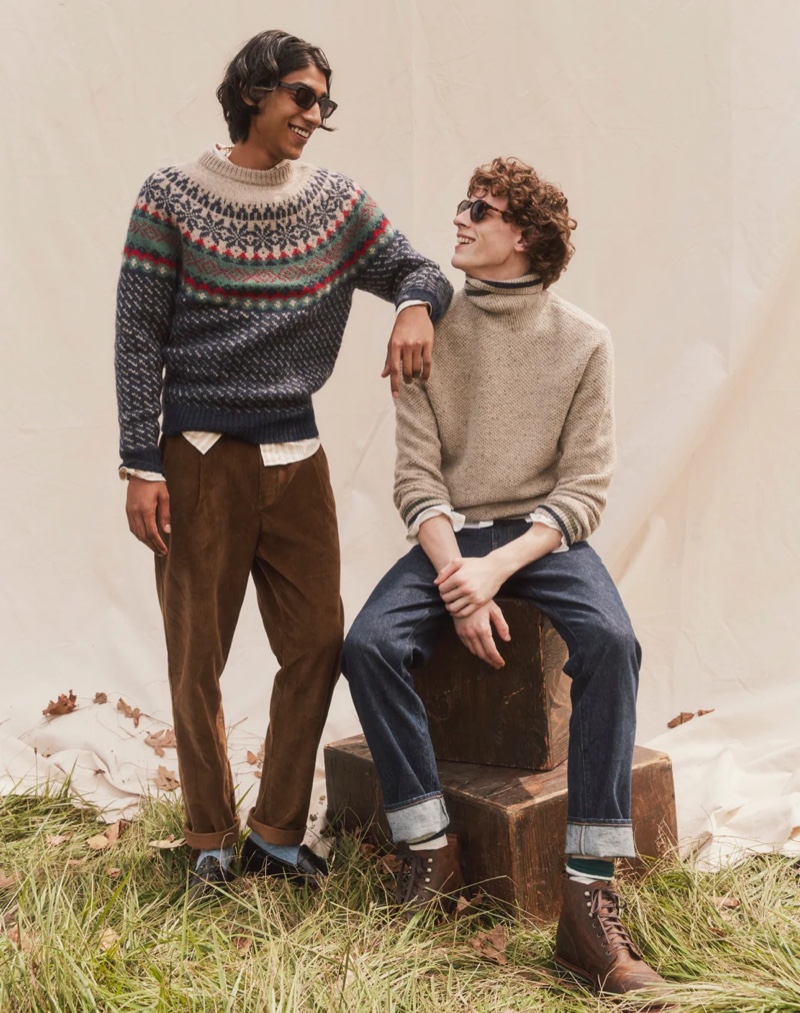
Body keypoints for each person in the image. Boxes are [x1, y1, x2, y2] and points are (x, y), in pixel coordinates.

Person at [114, 29, 452, 902]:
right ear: (255, 92)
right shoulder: (171, 197)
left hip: (297, 458)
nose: (315, 116)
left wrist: (413, 305)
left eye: (324, 104)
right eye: (303, 97)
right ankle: (206, 836)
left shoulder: (336, 203)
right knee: (198, 655)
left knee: (317, 644)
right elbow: (136, 337)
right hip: (197, 460)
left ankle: (275, 832)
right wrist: (136, 462)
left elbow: (419, 267)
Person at [342, 157, 669, 998]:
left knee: (612, 641)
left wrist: (497, 567)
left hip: (542, 541)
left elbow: (584, 490)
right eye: (462, 203)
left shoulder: (584, 341)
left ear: (522, 237)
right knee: (368, 645)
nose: (458, 218)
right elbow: (416, 479)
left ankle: (587, 894)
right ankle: (430, 850)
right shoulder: (427, 331)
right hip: (449, 535)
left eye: (477, 210)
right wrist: (458, 575)